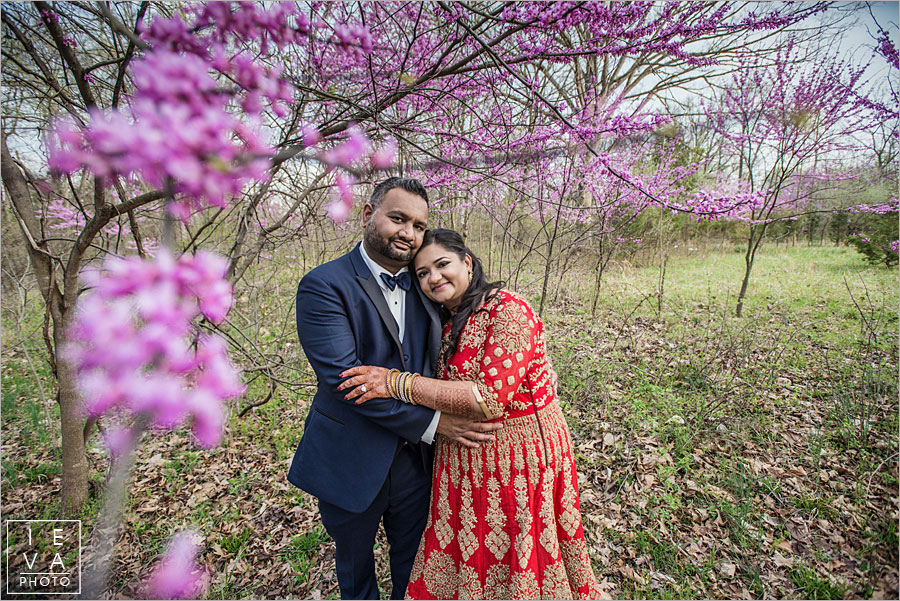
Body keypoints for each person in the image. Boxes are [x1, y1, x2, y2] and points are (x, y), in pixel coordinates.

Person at [340, 228, 603, 600]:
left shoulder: (507, 308)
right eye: (422, 273)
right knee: (471, 554)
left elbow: (488, 397)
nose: (434, 277)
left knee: (517, 554)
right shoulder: (445, 319)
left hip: (517, 460)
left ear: (467, 262)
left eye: (442, 264)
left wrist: (395, 383)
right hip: (460, 458)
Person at [287, 180, 503, 600]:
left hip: (416, 465)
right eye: (398, 218)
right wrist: (435, 423)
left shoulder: (426, 285)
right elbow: (344, 383)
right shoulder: (324, 285)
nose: (409, 233)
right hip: (351, 458)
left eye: (419, 225)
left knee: (415, 568)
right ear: (368, 215)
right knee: (355, 574)